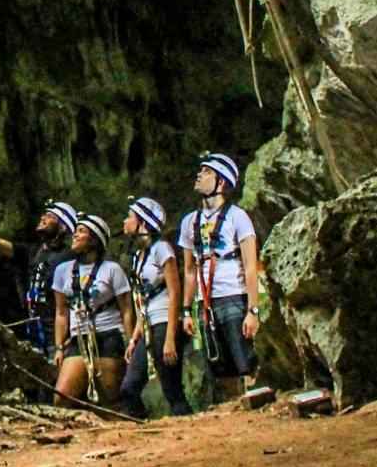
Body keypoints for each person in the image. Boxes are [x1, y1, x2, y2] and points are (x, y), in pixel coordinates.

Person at [178, 152, 261, 404]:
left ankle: (255, 406)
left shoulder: (238, 217)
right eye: (200, 171)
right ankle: (233, 411)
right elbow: (190, 270)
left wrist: (252, 310)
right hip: (206, 303)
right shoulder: (189, 222)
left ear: (221, 183)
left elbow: (250, 265)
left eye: (207, 172)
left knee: (244, 359)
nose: (199, 175)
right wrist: (186, 311)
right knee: (219, 363)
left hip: (233, 296)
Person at [0, 192, 78, 355]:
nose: (43, 218)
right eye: (44, 214)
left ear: (63, 227)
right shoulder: (32, 252)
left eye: (51, 216)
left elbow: (75, 300)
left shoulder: (68, 258)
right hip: (36, 337)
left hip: (58, 340)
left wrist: (67, 341)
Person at [117, 196, 190, 419]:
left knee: (172, 389)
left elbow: (174, 292)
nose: (124, 222)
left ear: (143, 223)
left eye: (129, 217)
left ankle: (191, 431)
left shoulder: (162, 249)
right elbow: (142, 300)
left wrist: (170, 338)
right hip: (148, 324)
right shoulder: (139, 257)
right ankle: (145, 430)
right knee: (128, 388)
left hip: (164, 324)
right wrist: (135, 338)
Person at [50, 214, 134, 406]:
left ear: (95, 239)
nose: (75, 235)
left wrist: (131, 343)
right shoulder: (62, 271)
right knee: (61, 397)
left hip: (108, 336)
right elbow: (61, 312)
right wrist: (59, 347)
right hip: (79, 338)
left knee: (109, 400)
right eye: (76, 231)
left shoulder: (112, 270)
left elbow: (126, 310)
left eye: (82, 231)